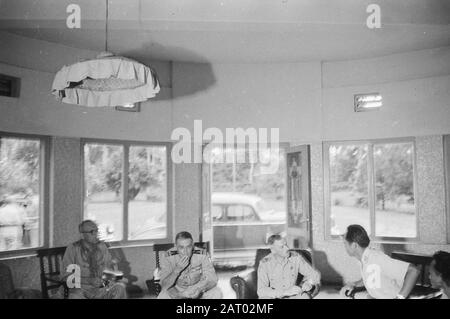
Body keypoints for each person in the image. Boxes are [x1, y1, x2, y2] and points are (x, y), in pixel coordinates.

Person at [340, 224, 420, 299]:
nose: (344, 246)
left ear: (354, 245)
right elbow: (372, 278)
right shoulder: (365, 259)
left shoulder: (377, 258)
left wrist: (399, 298)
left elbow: (414, 271)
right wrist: (354, 284)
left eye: (345, 243)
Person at [62, 220, 127, 299]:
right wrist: (88, 281)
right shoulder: (73, 248)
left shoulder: (102, 246)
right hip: (81, 289)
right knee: (74, 297)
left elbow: (108, 269)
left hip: (101, 287)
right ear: (82, 235)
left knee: (120, 288)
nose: (96, 234)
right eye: (92, 231)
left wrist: (111, 278)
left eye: (96, 230)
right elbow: (66, 276)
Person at [157, 231, 222, 299]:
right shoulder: (167, 257)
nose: (185, 251)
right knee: (162, 296)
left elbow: (213, 279)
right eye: (181, 247)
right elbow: (164, 285)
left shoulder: (202, 255)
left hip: (197, 287)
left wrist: (200, 290)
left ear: (193, 245)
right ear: (175, 246)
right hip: (177, 289)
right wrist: (177, 270)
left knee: (217, 292)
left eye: (188, 247)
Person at [257, 234, 321, 299]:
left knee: (304, 297)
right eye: (282, 247)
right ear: (273, 250)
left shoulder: (295, 257)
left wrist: (309, 283)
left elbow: (314, 274)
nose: (287, 248)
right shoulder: (265, 263)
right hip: (274, 297)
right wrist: (285, 292)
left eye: (286, 244)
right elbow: (261, 291)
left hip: (292, 297)